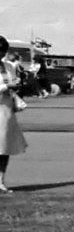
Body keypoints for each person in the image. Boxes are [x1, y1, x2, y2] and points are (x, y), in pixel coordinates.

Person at [0, 37, 27, 190]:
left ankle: (1, 180)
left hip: (6, 109)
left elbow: (13, 83)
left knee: (5, 147)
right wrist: (6, 86)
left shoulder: (8, 66)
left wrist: (16, 86)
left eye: (3, 52)